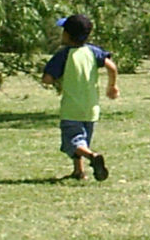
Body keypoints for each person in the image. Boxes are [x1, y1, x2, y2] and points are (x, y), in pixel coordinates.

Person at [42, 14, 119, 181]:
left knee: (72, 142)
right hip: (91, 109)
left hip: (71, 109)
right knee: (82, 141)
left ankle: (93, 157)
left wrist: (55, 79)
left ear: (68, 35)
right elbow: (111, 67)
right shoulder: (93, 51)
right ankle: (79, 172)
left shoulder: (63, 55)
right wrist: (112, 86)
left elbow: (47, 79)